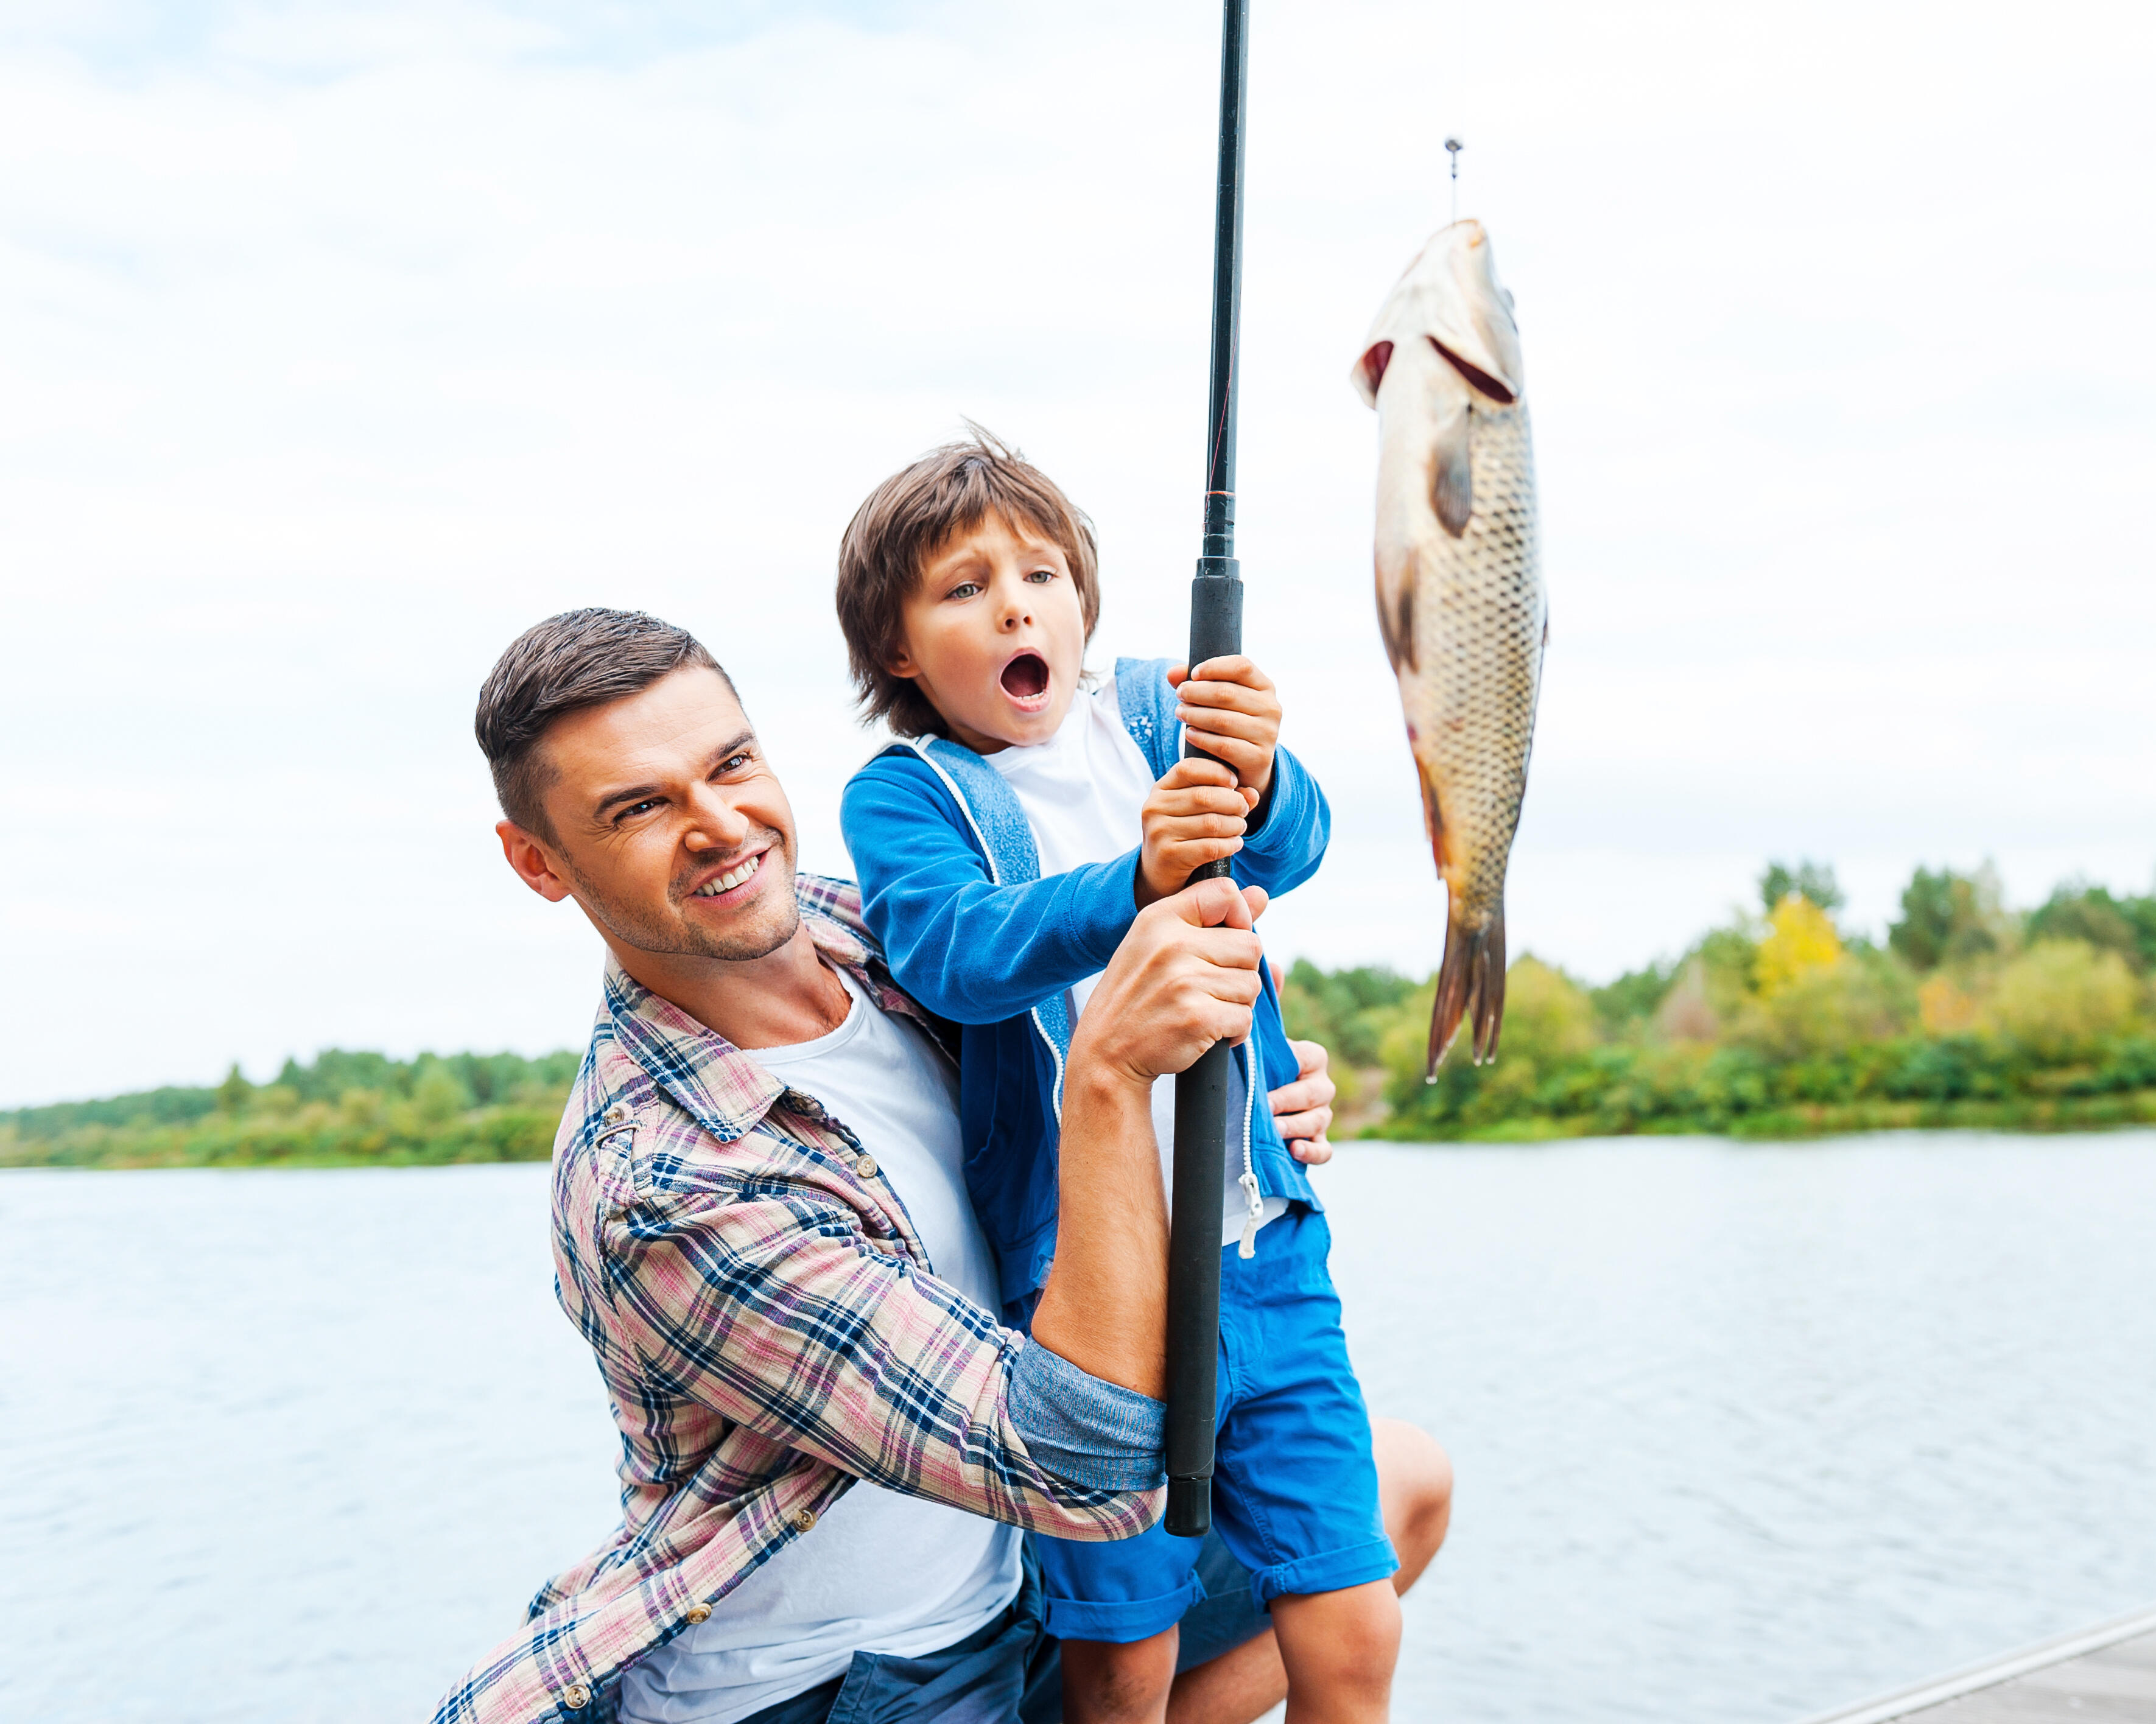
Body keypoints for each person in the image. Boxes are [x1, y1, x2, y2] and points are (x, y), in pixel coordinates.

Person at [435, 609, 1447, 1724]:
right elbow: (1074, 1467)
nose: (721, 825)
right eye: (639, 808)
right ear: (539, 861)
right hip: (849, 1683)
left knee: (1399, 1489)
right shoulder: (660, 1184)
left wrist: (1235, 1103)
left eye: (731, 764)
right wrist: (1111, 1076)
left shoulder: (871, 935)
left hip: (1010, 1590)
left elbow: (1068, 972)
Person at [834, 435, 1399, 1724]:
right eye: (963, 588)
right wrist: (1134, 884)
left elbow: (1293, 848)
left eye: (1041, 572)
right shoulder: (910, 794)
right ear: (901, 652)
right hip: (1084, 1291)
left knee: (1350, 1614)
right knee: (1122, 1655)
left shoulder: (1153, 711)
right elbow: (957, 952)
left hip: (1262, 1250)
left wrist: (1260, 770)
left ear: (1087, 605)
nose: (1015, 602)